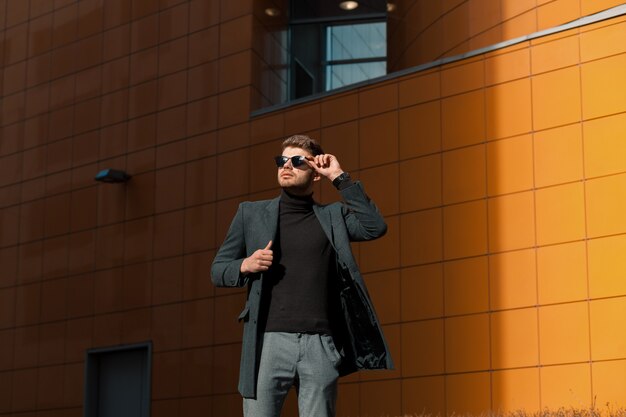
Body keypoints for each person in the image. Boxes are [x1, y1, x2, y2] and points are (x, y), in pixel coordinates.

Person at [211, 135, 393, 417]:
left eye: (298, 161)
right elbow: (218, 269)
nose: (287, 166)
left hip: (320, 346)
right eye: (282, 161)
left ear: (315, 174)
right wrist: (245, 264)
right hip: (268, 343)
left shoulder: (333, 216)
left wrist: (338, 176)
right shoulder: (251, 214)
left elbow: (375, 227)